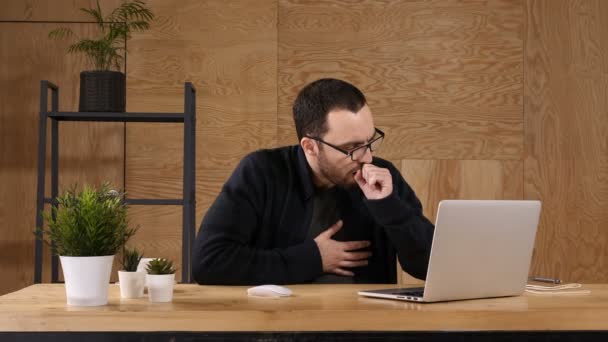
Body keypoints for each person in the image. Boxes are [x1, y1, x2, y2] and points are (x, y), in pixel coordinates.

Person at [192, 78, 434, 285]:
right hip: (280, 326)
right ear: (310, 147)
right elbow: (208, 262)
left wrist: (389, 207)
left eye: (369, 142)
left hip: (366, 325)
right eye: (352, 148)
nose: (367, 157)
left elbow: (428, 267)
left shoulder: (382, 176)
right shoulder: (262, 171)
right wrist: (312, 259)